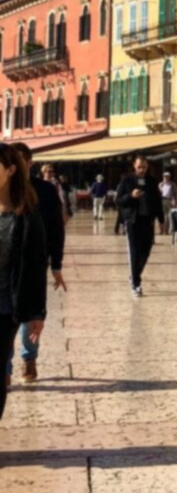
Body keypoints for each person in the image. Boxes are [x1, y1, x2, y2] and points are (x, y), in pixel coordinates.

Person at [6, 142, 66, 386]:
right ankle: (5, 367)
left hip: (33, 262)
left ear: (30, 163)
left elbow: (56, 229)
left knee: (29, 311)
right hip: (5, 266)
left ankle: (29, 358)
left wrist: (57, 264)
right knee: (6, 314)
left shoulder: (46, 191)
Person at [0, 144, 47, 418]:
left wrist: (37, 313)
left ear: (11, 170)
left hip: (5, 308)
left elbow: (35, 265)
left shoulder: (26, 217)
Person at [116, 155, 165, 297]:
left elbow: (157, 202)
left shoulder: (151, 181)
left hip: (147, 221)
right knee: (135, 251)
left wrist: (161, 220)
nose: (142, 170)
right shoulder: (127, 180)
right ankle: (136, 284)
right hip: (133, 221)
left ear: (147, 166)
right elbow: (119, 200)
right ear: (134, 166)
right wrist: (131, 196)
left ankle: (134, 274)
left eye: (144, 167)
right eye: (139, 167)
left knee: (146, 250)